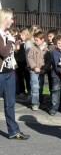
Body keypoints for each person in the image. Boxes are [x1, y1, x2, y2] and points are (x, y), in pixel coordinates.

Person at [0, 8, 30, 140]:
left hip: (10, 72)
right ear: (5, 19)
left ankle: (13, 131)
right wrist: (11, 41)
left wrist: (15, 45)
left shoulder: (7, 34)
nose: (13, 21)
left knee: (10, 103)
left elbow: (10, 54)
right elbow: (3, 53)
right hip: (0, 74)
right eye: (11, 18)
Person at [27, 31, 51, 111]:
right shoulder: (32, 49)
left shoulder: (47, 50)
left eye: (37, 40)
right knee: (34, 86)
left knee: (40, 87)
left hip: (42, 72)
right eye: (35, 40)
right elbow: (30, 58)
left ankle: (40, 101)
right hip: (33, 71)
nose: (35, 41)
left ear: (42, 40)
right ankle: (35, 103)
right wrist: (34, 67)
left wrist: (45, 69)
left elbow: (48, 61)